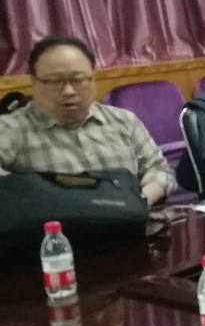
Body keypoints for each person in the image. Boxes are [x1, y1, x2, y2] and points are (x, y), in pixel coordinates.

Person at [0, 36, 175, 205]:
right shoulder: (9, 129)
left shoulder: (123, 121)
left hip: (127, 218)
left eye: (78, 80)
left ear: (93, 79)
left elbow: (159, 170)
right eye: (54, 81)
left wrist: (142, 199)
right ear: (34, 82)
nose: (68, 91)